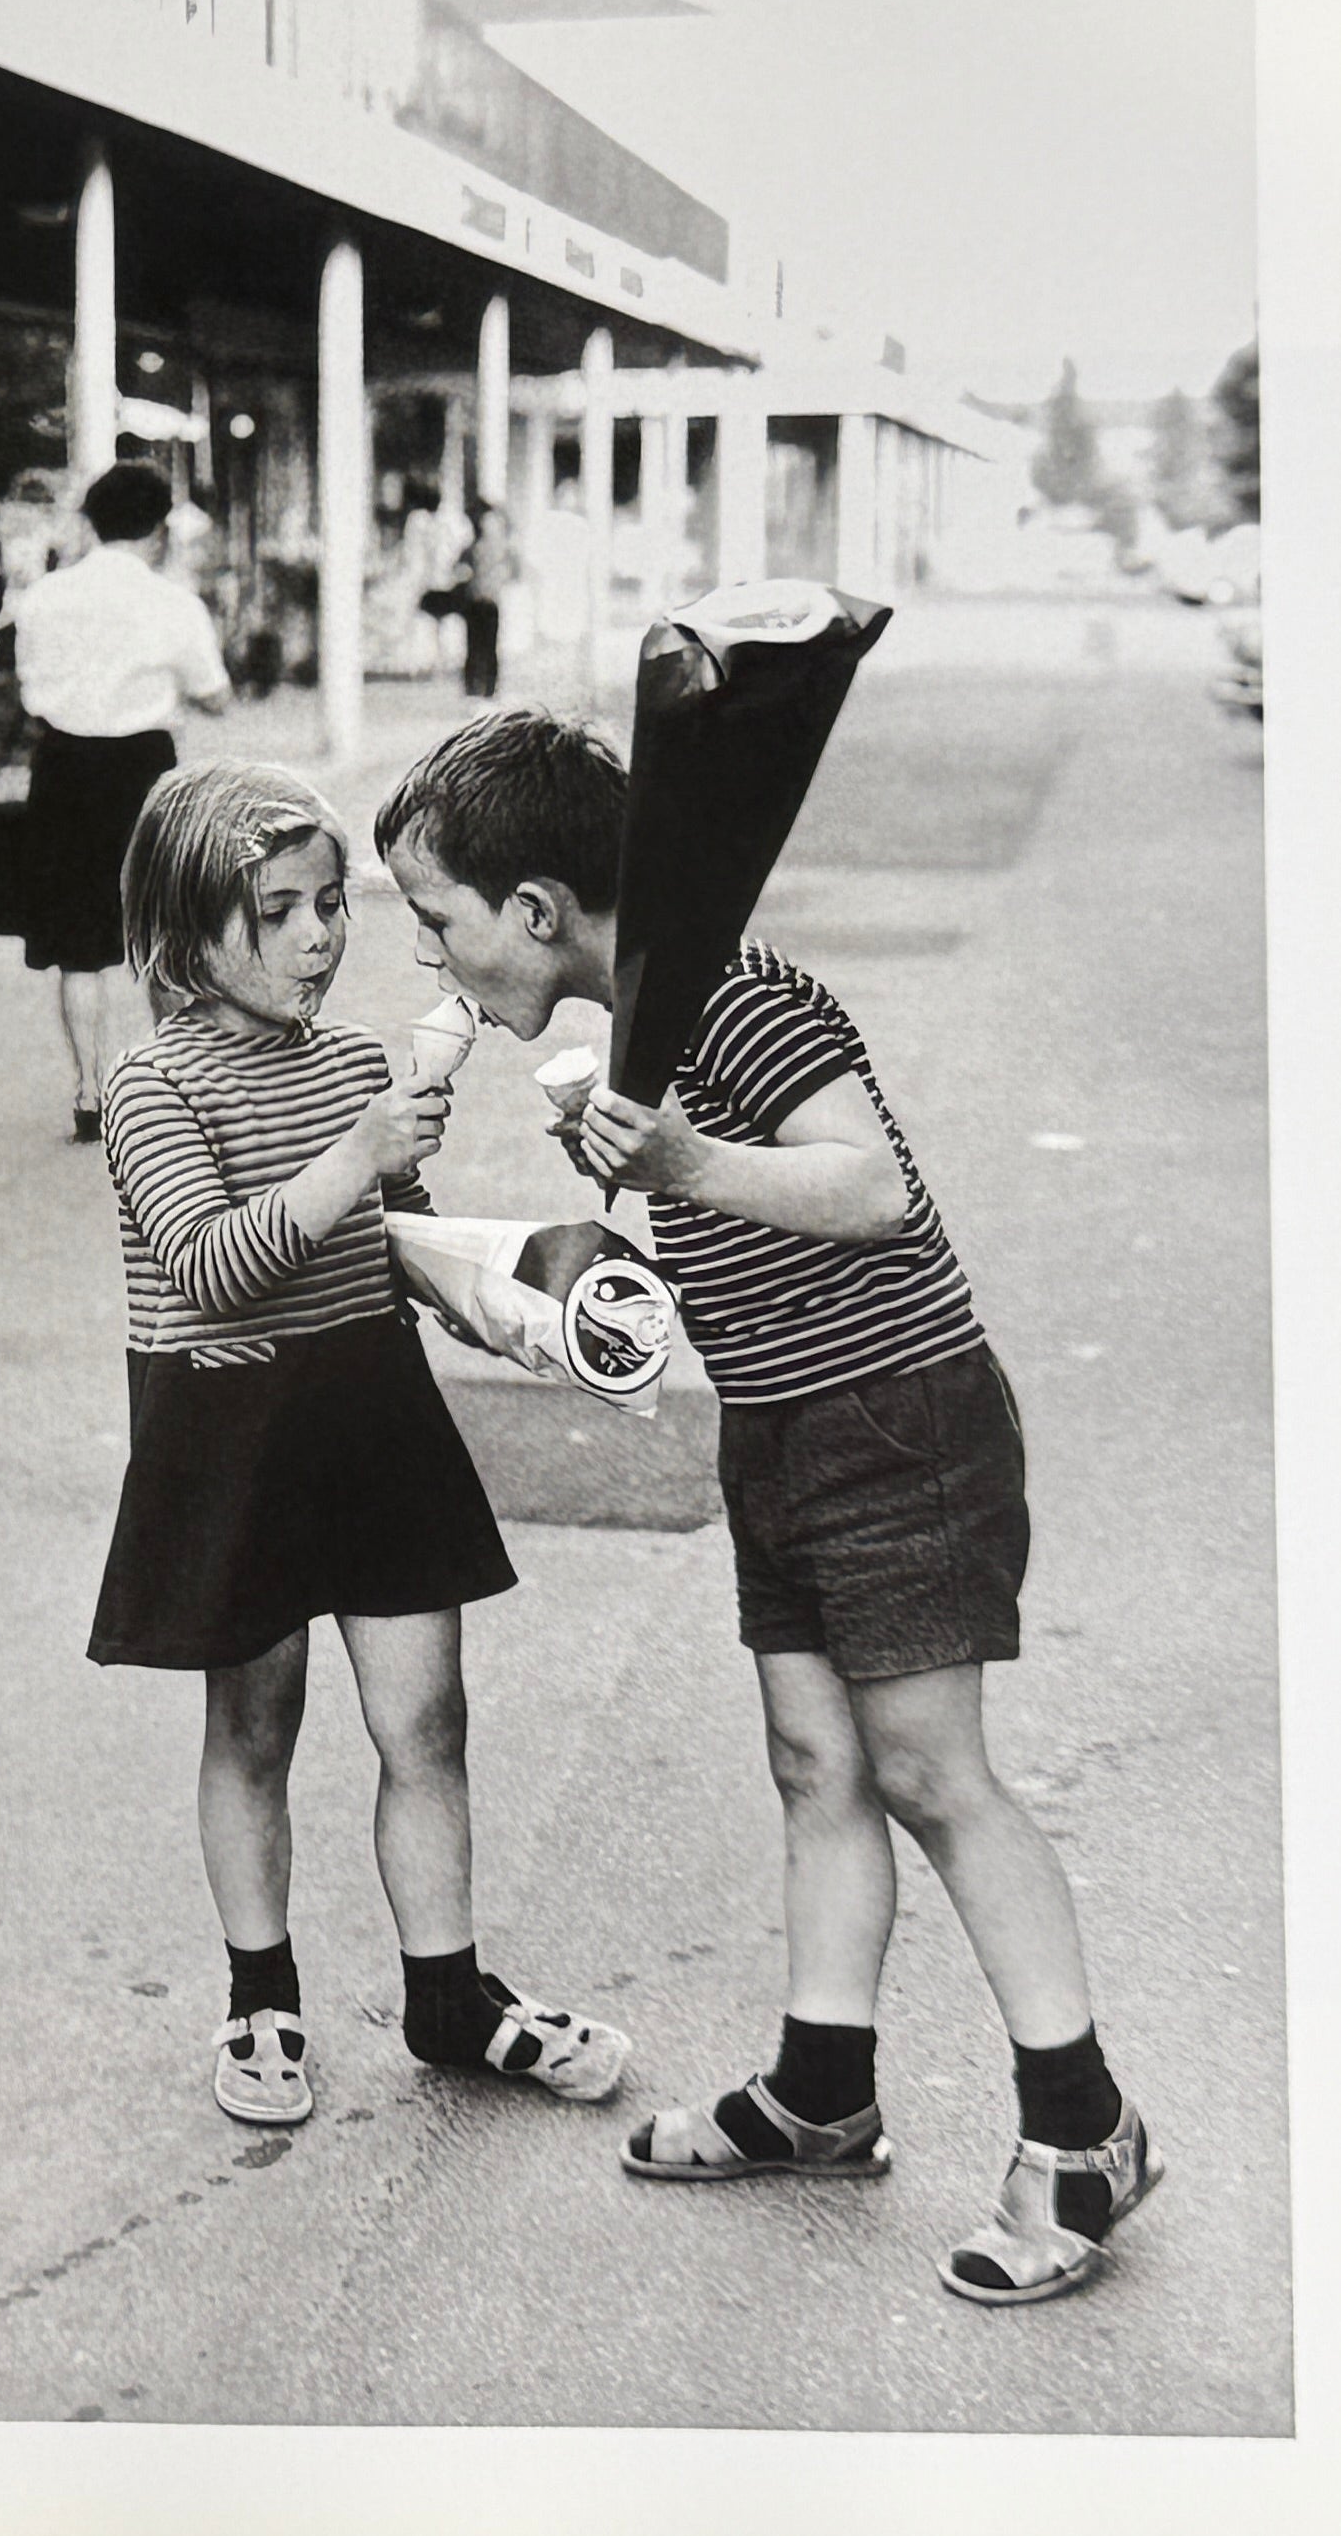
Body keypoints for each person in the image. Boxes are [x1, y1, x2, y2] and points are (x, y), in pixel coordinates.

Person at [374, 710, 1157, 2307]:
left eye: (434, 919)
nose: (429, 958)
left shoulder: (738, 991)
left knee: (934, 1776)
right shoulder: (640, 1020)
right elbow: (710, 1242)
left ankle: (1084, 2130)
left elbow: (868, 1188)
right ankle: (823, 2087)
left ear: (533, 909)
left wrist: (681, 1157)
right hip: (782, 1430)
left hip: (897, 1421)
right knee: (814, 1766)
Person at [92, 761, 628, 2131]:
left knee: (425, 1720)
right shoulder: (150, 1084)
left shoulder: (349, 1062)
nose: (319, 937)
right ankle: (260, 1990)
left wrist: (501, 1299)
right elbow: (211, 1264)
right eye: (274, 912)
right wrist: (355, 1154)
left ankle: (447, 1994)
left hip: (370, 1410)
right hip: (230, 1424)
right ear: (179, 929)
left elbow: (389, 1239)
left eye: (332, 904)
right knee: (254, 1724)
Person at [5, 460, 230, 1139]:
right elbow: (216, 695)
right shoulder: (172, 602)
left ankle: (89, 1090)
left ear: (92, 522)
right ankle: (173, 1086)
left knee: (79, 941)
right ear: (160, 530)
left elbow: (27, 684)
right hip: (143, 769)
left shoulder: (44, 595)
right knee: (161, 930)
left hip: (63, 766)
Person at [458, 496, 516, 699]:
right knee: (475, 646)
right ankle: (474, 687)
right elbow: (461, 570)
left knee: (488, 647)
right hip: (476, 601)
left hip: (489, 601)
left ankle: (488, 688)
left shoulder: (499, 550)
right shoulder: (474, 548)